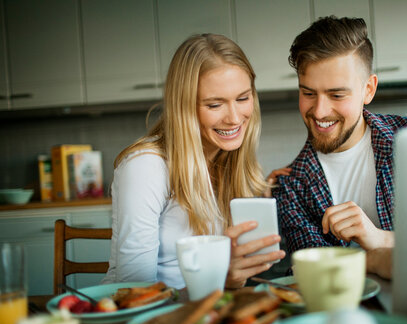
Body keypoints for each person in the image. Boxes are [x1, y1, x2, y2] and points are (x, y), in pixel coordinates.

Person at [102, 34, 285, 290]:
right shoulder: (146, 166)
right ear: (184, 106)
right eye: (214, 104)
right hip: (149, 321)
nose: (234, 118)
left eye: (243, 98)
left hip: (206, 313)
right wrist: (221, 280)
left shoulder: (230, 160)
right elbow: (135, 292)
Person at [273, 16, 407, 280]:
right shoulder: (290, 187)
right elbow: (317, 275)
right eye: (308, 93)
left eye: (337, 95)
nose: (320, 111)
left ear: (368, 89)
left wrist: (378, 239)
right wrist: (375, 259)